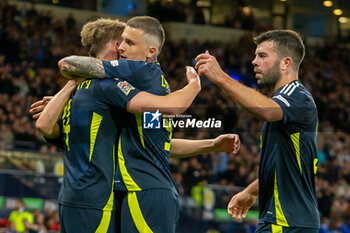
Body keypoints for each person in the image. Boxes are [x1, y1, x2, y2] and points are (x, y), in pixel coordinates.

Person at [31, 17, 240, 233]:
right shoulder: (122, 90)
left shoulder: (125, 82)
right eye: (121, 42)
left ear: (150, 51)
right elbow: (162, 136)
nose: (122, 48)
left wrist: (195, 87)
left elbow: (166, 123)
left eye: (128, 42)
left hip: (112, 195)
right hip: (120, 196)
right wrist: (210, 139)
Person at [195, 30, 320, 233]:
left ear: (286, 63)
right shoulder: (284, 104)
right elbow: (286, 167)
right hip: (281, 220)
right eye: (255, 56)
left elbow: (266, 111)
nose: (254, 61)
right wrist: (252, 191)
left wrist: (221, 78)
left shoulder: (297, 96)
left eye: (262, 56)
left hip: (287, 221)